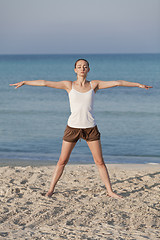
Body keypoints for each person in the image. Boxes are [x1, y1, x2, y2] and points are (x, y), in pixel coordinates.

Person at [10, 59, 152, 199]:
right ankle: (51, 190)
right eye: (79, 66)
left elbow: (117, 83)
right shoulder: (68, 85)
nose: (82, 68)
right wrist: (25, 82)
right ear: (75, 70)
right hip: (72, 128)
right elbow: (45, 83)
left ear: (88, 69)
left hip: (90, 128)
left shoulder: (94, 85)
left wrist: (137, 85)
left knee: (100, 162)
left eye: (85, 66)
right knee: (62, 161)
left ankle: (110, 191)